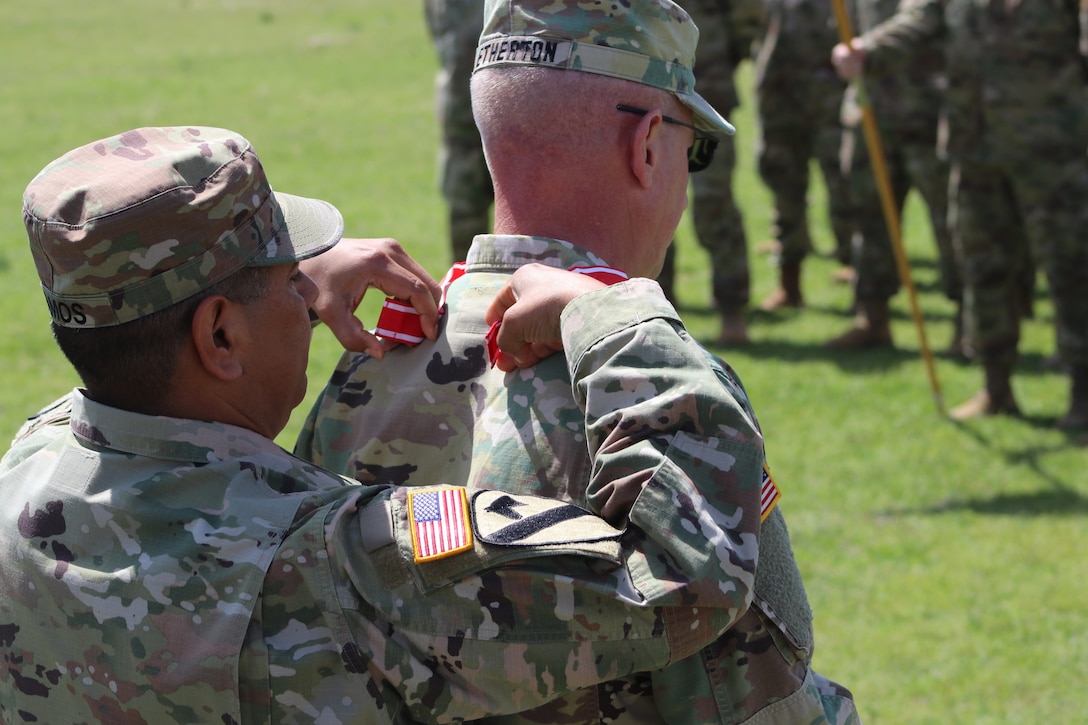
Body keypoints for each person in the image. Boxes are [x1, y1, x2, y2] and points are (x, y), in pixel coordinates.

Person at [2, 125, 819, 723]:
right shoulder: (344, 568)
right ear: (219, 335)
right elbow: (686, 575)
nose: (306, 296)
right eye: (288, 283)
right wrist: (615, 314)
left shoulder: (27, 475)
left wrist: (270, 291)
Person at [299, 1, 860, 723]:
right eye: (694, 151)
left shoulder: (372, 362)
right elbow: (755, 697)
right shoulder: (661, 397)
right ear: (649, 145)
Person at [830, 0, 1088, 427]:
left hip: (1052, 149)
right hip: (975, 147)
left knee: (1070, 269)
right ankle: (996, 386)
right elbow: (917, 22)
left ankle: (1083, 393)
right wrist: (867, 51)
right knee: (983, 267)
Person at [824, 0, 962, 351]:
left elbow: (920, 18)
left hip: (928, 115)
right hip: (871, 112)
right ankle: (872, 318)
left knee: (953, 223)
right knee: (869, 222)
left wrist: (866, 51)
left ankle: (968, 323)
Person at [674, 0, 766, 343]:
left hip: (705, 95)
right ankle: (653, 308)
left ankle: (732, 308)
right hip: (642, 94)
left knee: (715, 203)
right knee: (643, 203)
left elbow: (747, 23)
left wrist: (715, 62)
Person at [753, 0, 853, 312]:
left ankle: (860, 286)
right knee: (785, 195)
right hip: (780, 101)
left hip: (833, 103)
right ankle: (789, 286)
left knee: (846, 191)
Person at [425, 0, 492, 261]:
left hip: (519, 111)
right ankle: (463, 294)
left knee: (530, 221)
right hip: (461, 116)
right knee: (465, 212)